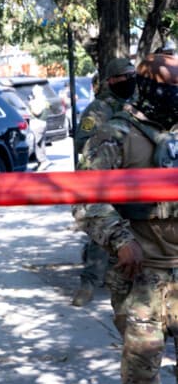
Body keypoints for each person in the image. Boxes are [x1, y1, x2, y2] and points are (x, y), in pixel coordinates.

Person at [73, 52, 178, 384]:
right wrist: (120, 239)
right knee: (144, 367)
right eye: (173, 89)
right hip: (144, 276)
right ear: (152, 89)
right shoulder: (115, 135)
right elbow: (86, 199)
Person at [71, 57, 138, 307]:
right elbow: (82, 142)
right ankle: (88, 283)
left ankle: (125, 279)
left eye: (132, 75)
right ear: (111, 80)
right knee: (102, 234)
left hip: (133, 180)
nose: (129, 81)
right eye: (124, 77)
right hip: (106, 179)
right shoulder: (99, 109)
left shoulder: (138, 103)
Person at [27, 84, 50, 171]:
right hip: (41, 124)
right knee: (40, 143)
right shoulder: (44, 99)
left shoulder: (39, 100)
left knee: (34, 144)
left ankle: (43, 161)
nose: (32, 94)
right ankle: (41, 162)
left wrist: (30, 104)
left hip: (38, 125)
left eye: (33, 92)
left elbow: (37, 112)